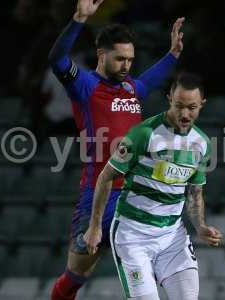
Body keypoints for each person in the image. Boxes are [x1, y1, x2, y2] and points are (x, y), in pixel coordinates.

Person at [48, 0, 185, 299]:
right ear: (101, 54)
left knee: (153, 273)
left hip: (136, 195)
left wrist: (173, 54)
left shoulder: (132, 88)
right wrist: (78, 20)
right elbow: (57, 59)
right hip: (99, 195)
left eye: (130, 60)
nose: (126, 65)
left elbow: (152, 77)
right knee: (75, 275)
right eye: (120, 59)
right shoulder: (84, 85)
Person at [84, 73, 223, 300]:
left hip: (172, 237)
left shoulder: (202, 144)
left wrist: (200, 226)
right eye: (179, 106)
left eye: (192, 107)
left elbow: (195, 193)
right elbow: (105, 177)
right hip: (133, 236)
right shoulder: (144, 134)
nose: (185, 114)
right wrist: (95, 226)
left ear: (202, 105)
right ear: (169, 99)